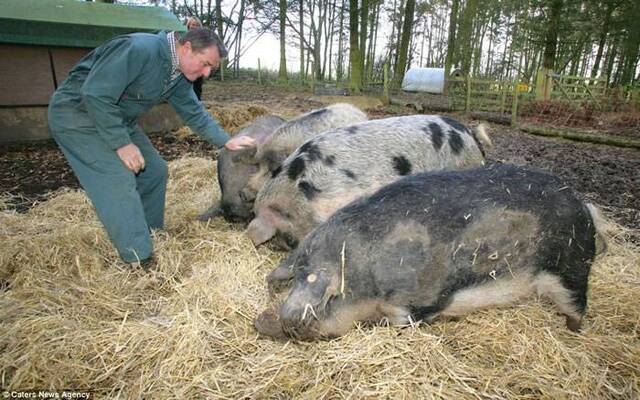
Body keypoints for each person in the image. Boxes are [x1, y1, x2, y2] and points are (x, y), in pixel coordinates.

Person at [47, 28, 253, 267]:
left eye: (211, 68)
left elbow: (193, 111)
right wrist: (122, 144)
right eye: (205, 64)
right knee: (117, 178)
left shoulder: (178, 73)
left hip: (116, 117)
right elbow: (95, 94)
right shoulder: (139, 49)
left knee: (154, 171)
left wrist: (225, 140)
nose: (206, 73)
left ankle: (149, 234)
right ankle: (139, 258)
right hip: (77, 114)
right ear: (186, 47)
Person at [185, 17, 204, 100]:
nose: (195, 27)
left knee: (197, 88)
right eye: (193, 24)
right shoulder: (184, 36)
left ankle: (197, 105)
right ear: (189, 25)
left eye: (197, 25)